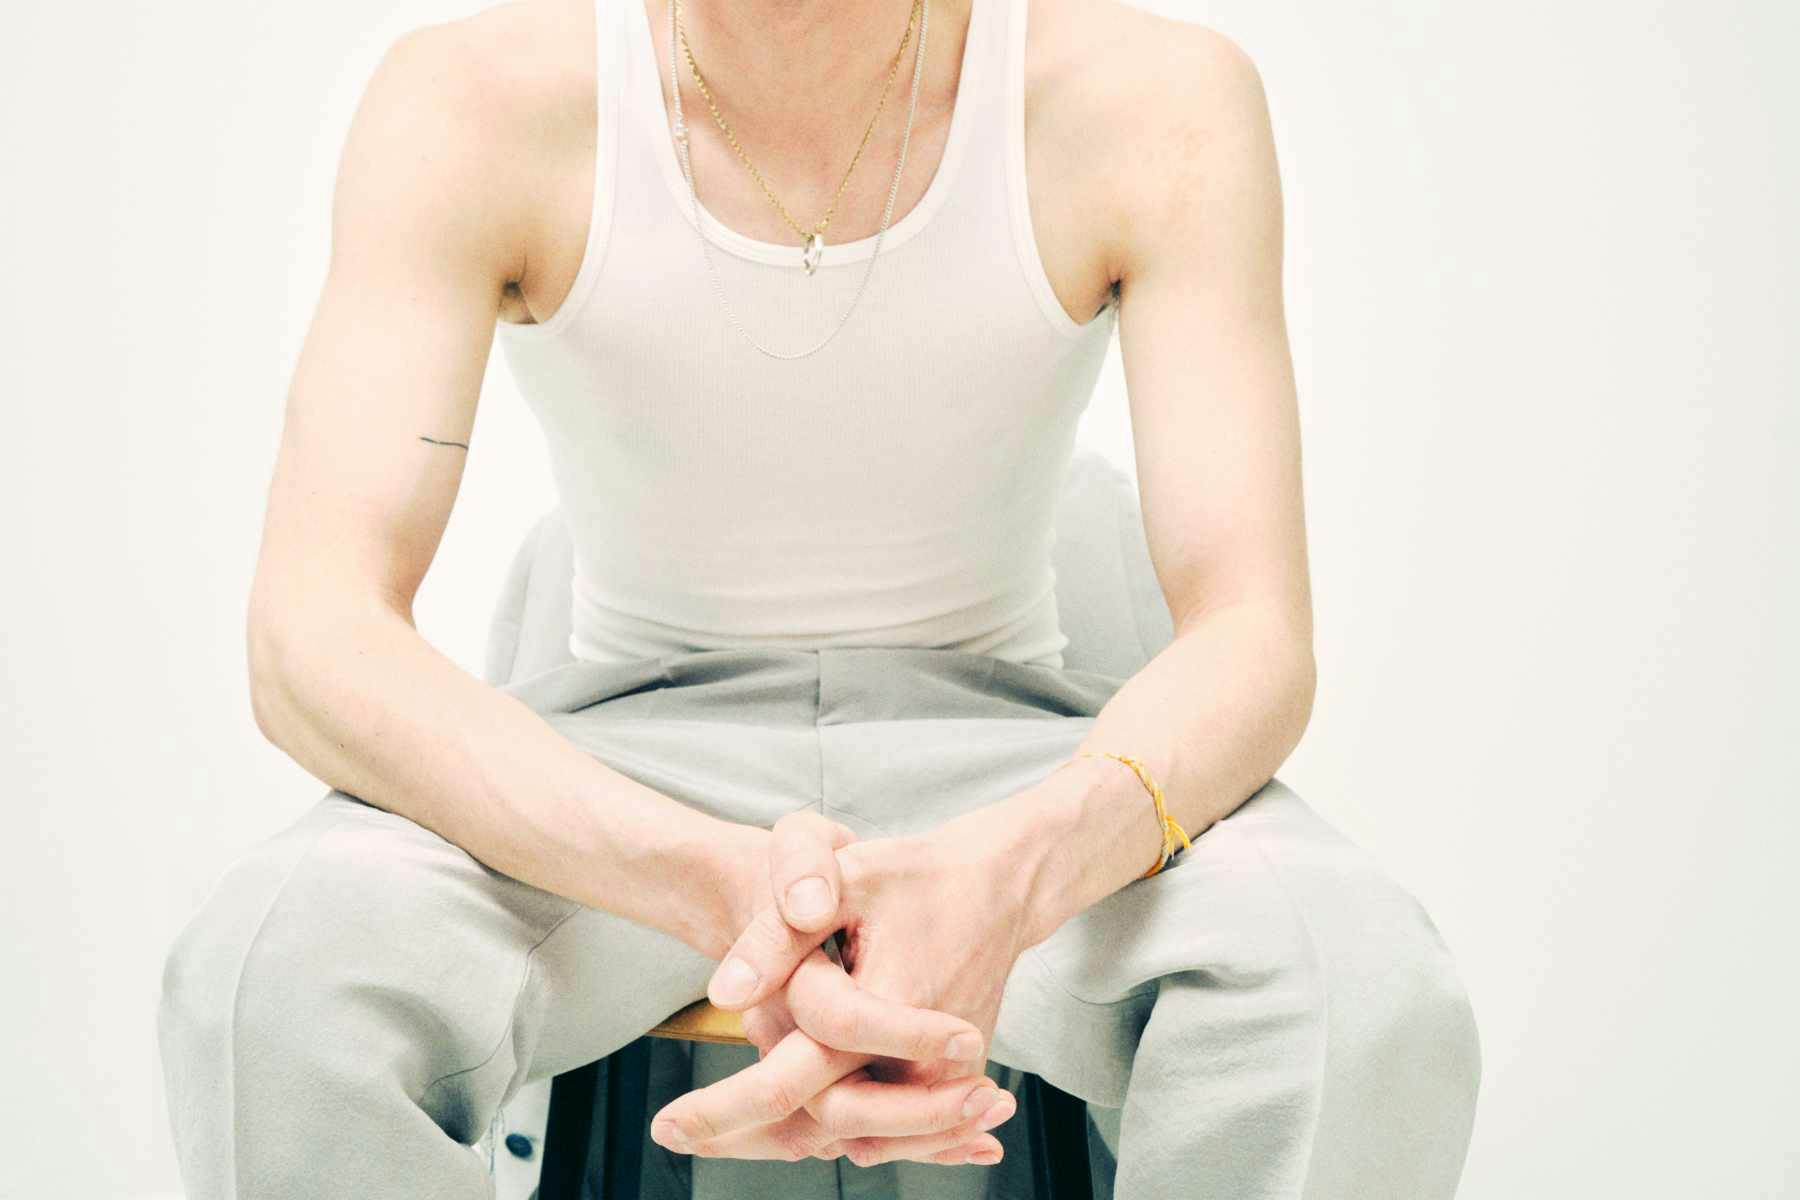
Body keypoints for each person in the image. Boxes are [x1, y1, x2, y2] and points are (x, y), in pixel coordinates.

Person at [156, 0, 1482, 1195]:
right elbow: (311, 638)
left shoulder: (1153, 94)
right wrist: (708, 878)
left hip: (1013, 749)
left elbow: (1253, 632)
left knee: (1355, 988)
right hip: (624, 754)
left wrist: (1011, 872)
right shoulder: (470, 99)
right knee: (277, 977)